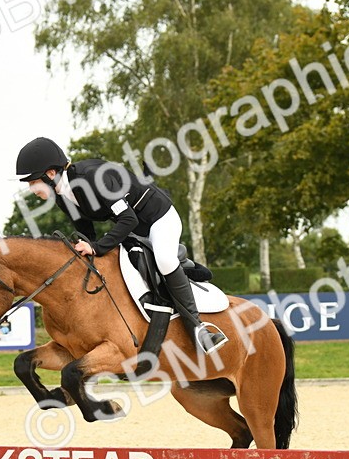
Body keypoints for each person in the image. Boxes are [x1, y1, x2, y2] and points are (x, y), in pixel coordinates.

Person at [15, 137, 227, 354]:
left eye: (33, 182)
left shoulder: (92, 178)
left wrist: (97, 248)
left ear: (50, 174)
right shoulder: (63, 195)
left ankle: (200, 331)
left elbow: (128, 219)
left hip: (158, 217)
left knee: (164, 260)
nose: (32, 189)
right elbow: (86, 231)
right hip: (132, 229)